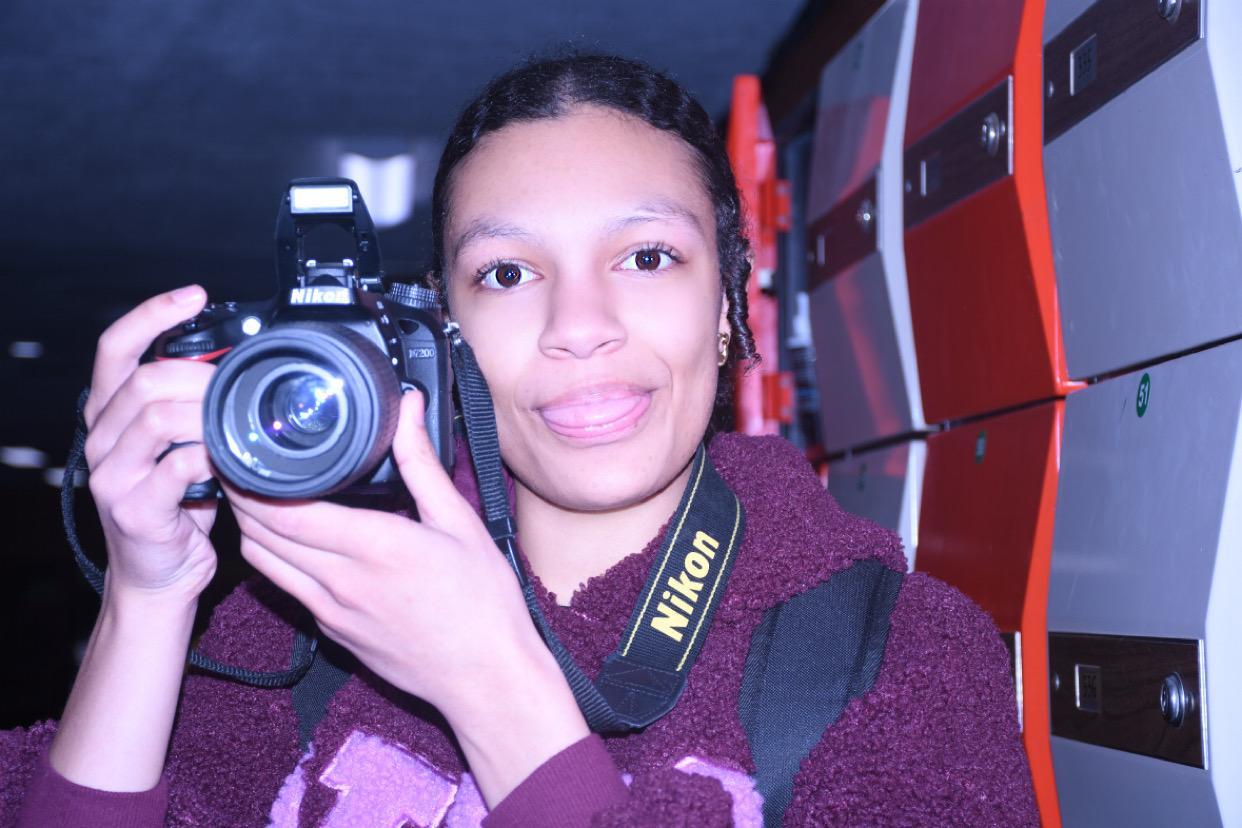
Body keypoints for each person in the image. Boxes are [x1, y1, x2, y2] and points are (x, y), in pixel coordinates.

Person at [1, 54, 1037, 826]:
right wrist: (147, 599)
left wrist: (488, 686)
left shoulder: (896, 656)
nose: (578, 325)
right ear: (440, 333)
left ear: (730, 305)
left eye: (646, 256)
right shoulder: (291, 627)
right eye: (506, 273)